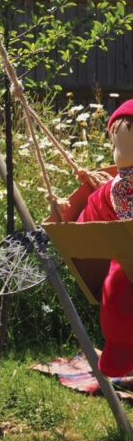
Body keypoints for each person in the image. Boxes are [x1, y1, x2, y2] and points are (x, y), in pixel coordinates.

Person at [77, 99, 133, 377]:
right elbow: (90, 215)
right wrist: (65, 212)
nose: (120, 151)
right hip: (125, 261)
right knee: (114, 300)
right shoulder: (112, 189)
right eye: (116, 146)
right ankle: (120, 350)